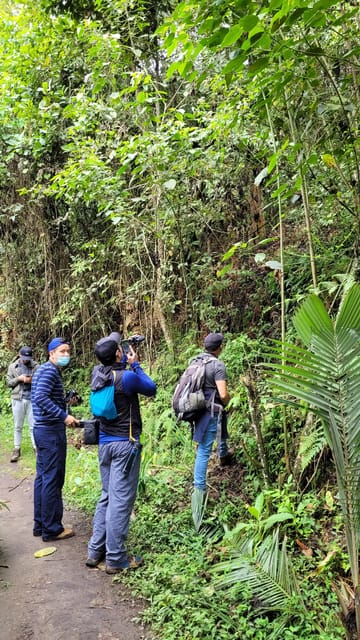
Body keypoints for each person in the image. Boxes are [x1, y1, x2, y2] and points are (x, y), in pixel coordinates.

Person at [86, 334, 156, 574]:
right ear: (118, 353)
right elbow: (151, 388)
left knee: (106, 496)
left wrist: (126, 364)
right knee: (120, 501)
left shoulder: (98, 375)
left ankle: (95, 551)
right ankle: (115, 558)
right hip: (125, 446)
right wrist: (135, 364)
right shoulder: (126, 378)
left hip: (104, 445)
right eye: (120, 348)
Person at [31, 337, 80, 541]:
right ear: (51, 354)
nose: (66, 355)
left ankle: (40, 525)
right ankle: (52, 529)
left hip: (43, 430)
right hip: (50, 431)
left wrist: (66, 402)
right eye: (62, 351)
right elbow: (40, 398)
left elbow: (46, 397)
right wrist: (64, 416)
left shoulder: (45, 370)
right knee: (52, 478)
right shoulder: (50, 371)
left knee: (43, 476)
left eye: (68, 351)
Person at [193, 332, 233, 494]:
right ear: (219, 348)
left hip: (197, 406)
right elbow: (223, 394)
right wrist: (229, 402)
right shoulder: (217, 365)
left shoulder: (195, 361)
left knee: (221, 422)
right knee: (204, 450)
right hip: (211, 409)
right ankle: (199, 490)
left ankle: (223, 454)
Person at [6, 345, 39, 462]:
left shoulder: (36, 366)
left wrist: (32, 380)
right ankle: (16, 449)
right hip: (17, 399)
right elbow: (9, 383)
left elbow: (41, 381)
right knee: (17, 426)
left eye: (28, 358)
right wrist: (19, 379)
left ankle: (36, 448)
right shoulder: (12, 367)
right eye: (24, 357)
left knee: (33, 425)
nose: (26, 360)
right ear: (19, 355)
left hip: (32, 398)